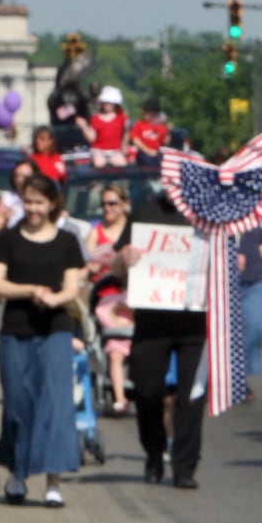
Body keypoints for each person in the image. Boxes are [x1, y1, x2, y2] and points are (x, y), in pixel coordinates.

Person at [0, 172, 85, 507]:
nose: (33, 208)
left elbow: (73, 285)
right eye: (27, 201)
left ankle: (53, 481)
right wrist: (29, 291)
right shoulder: (8, 239)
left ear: (52, 204)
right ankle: (17, 473)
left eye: (39, 202)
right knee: (18, 404)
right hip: (16, 331)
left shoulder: (67, 241)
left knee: (56, 404)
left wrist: (56, 299)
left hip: (55, 330)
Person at [112, 185, 208, 488]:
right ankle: (154, 454)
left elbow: (224, 260)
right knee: (147, 391)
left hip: (194, 321)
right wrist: (124, 258)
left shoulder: (207, 216)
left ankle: (185, 467)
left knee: (191, 397)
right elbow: (116, 268)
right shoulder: (145, 213)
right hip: (152, 321)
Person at [86, 183, 134, 415]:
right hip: (107, 295)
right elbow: (83, 264)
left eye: (112, 203)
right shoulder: (96, 233)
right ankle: (119, 397)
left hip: (134, 293)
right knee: (115, 344)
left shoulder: (133, 230)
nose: (107, 208)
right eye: (104, 204)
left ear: (125, 205)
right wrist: (93, 266)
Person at [236, 225, 262, 395]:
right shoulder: (216, 217)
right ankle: (228, 380)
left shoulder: (253, 223)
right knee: (227, 334)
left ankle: (241, 377)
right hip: (224, 284)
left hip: (254, 283)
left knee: (255, 328)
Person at [88, 86, 129, 168]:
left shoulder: (122, 118)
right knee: (99, 165)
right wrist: (84, 127)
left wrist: (124, 146)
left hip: (115, 151)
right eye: (104, 102)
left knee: (122, 165)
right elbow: (92, 137)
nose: (106, 105)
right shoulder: (95, 118)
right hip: (98, 151)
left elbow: (127, 132)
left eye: (109, 102)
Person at [129, 99, 170, 163]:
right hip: (142, 152)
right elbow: (135, 139)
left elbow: (165, 142)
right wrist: (147, 150)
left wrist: (168, 130)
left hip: (156, 153)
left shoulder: (161, 127)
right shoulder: (139, 124)